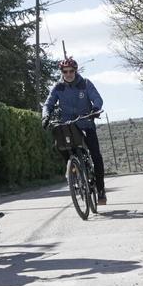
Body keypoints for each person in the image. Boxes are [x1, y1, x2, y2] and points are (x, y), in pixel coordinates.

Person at [44, 57, 107, 205]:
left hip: (86, 123)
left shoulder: (85, 83)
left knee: (96, 155)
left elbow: (97, 98)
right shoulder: (58, 87)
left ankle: (101, 189)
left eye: (71, 71)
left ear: (75, 71)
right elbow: (48, 103)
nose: (68, 74)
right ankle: (73, 170)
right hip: (68, 125)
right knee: (60, 145)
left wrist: (95, 109)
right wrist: (45, 116)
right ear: (62, 72)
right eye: (65, 71)